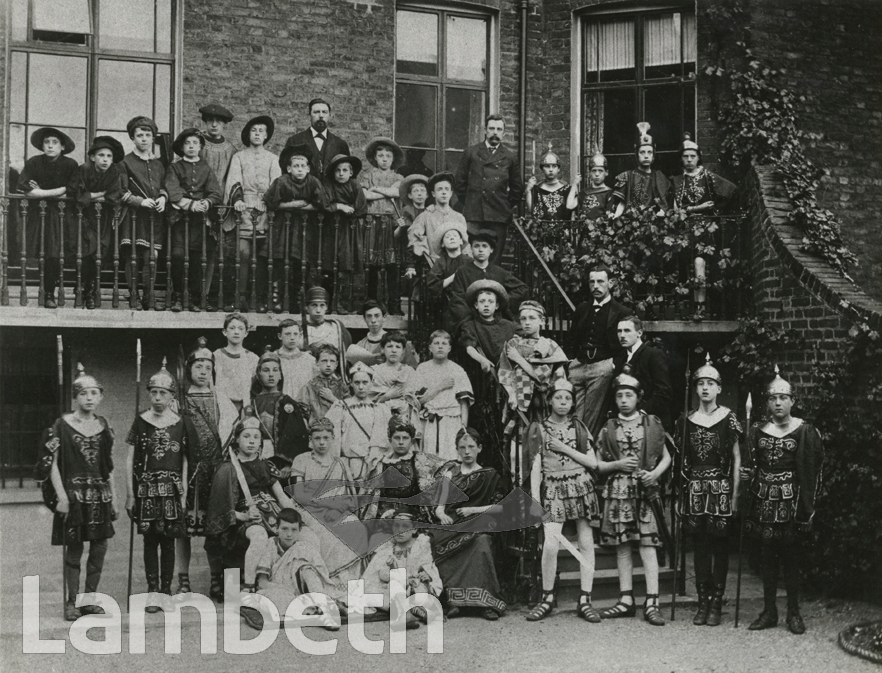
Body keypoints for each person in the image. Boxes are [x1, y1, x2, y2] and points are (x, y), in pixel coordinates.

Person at [34, 365, 118, 620]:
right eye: (83, 393)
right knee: (74, 550)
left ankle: (89, 599)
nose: (89, 398)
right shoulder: (61, 426)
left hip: (100, 495)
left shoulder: (104, 426)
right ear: (75, 397)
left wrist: (114, 497)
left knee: (99, 549)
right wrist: (61, 496)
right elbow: (54, 466)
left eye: (94, 393)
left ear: (100, 396)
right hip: (74, 497)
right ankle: (71, 602)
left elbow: (108, 466)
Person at [745, 367, 824, 635]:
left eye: (783, 398)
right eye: (772, 398)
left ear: (792, 401)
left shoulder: (804, 431)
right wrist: (749, 474)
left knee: (791, 557)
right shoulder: (758, 431)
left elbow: (813, 470)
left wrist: (807, 509)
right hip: (765, 501)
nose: (778, 403)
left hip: (792, 502)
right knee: (767, 557)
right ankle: (769, 611)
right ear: (767, 402)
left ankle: (793, 612)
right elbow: (753, 465)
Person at [596, 370, 671, 627]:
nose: (624, 400)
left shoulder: (651, 423)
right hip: (618, 491)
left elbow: (667, 458)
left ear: (638, 398)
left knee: (648, 545)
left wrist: (654, 475)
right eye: (620, 395)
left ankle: (652, 602)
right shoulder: (608, 427)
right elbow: (598, 464)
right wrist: (616, 464)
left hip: (644, 490)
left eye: (629, 395)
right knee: (623, 545)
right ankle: (626, 599)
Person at [523, 379, 601, 622]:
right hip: (554, 489)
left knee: (586, 543)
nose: (563, 403)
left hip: (580, 486)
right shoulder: (539, 429)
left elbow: (593, 462)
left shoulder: (579, 427)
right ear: (550, 400)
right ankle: (547, 597)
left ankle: (585, 599)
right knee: (550, 544)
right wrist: (535, 502)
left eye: (568, 398)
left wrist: (564, 448)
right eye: (559, 398)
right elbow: (536, 468)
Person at [677, 354, 743, 627]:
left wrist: (736, 494)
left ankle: (717, 599)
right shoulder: (687, 420)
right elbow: (681, 462)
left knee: (719, 544)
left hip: (720, 489)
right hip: (695, 489)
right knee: (700, 545)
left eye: (710, 383)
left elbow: (738, 457)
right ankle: (702, 601)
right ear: (695, 389)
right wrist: (680, 496)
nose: (704, 388)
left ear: (718, 388)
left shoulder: (728, 418)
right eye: (700, 383)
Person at [125, 359, 195, 612]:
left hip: (173, 488)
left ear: (171, 396)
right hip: (147, 488)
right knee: (150, 541)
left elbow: (186, 459)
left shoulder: (180, 422)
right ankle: (152, 590)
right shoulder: (141, 420)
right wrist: (130, 493)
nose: (157, 398)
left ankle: (166, 590)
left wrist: (185, 491)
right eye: (153, 392)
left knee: (168, 541)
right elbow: (130, 457)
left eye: (162, 393)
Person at [203, 411, 297, 594]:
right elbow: (219, 510)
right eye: (246, 436)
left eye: (256, 437)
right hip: (243, 520)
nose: (252, 441)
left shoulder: (266, 466)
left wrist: (295, 518)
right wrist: (244, 515)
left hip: (273, 515)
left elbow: (281, 496)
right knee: (259, 535)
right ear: (237, 439)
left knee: (298, 534)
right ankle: (248, 586)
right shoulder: (227, 469)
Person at [175, 337, 237, 597]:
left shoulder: (221, 399)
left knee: (217, 530)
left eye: (207, 366)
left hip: (215, 471)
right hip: (189, 473)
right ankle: (183, 579)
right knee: (183, 530)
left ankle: (215, 580)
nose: (202, 371)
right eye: (197, 365)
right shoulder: (178, 401)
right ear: (189, 369)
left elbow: (231, 433)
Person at [432, 427, 507, 620]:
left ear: (479, 448)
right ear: (457, 449)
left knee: (481, 542)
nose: (467, 451)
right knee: (433, 541)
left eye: (471, 447)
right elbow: (439, 506)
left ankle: (486, 603)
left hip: (479, 523)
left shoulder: (489, 475)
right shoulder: (450, 473)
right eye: (462, 447)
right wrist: (441, 514)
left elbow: (500, 508)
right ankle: (453, 601)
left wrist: (473, 510)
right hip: (453, 524)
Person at [670, 133, 737, 321]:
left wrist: (715, 212)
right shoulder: (677, 181)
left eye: (692, 155)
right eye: (685, 156)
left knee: (700, 264)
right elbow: (675, 209)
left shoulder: (708, 177)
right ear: (681, 158)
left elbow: (731, 190)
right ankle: (685, 306)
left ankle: (700, 307)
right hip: (684, 229)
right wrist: (696, 208)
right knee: (684, 268)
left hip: (705, 229)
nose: (689, 159)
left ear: (698, 157)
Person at [566, 265, 632, 438]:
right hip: (578, 367)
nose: (595, 286)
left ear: (610, 283)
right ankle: (578, 454)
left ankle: (586, 457)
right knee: (573, 415)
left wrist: (612, 365)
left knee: (591, 417)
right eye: (592, 282)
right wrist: (571, 362)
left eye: (600, 281)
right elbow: (572, 339)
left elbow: (628, 343)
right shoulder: (582, 309)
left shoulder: (621, 311)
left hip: (602, 368)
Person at [224, 115, 280, 312]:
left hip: (265, 212)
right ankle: (240, 298)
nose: (257, 134)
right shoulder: (239, 157)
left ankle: (261, 299)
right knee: (243, 253)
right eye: (253, 131)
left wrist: (268, 202)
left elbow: (277, 184)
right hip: (244, 211)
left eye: (261, 131)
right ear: (248, 134)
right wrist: (238, 201)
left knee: (264, 257)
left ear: (266, 136)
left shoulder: (273, 159)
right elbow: (234, 180)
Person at [18, 127, 79, 309]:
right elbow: (25, 189)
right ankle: (44, 292)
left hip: (63, 214)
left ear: (62, 147)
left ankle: (58, 293)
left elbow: (71, 189)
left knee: (58, 254)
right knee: (43, 254)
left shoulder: (70, 165)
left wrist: (41, 191)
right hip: (40, 214)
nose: (50, 146)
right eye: (47, 142)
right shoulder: (34, 162)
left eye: (55, 143)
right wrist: (55, 191)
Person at [263, 143, 329, 313]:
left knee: (301, 263)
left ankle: (297, 300)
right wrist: (293, 204)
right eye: (296, 166)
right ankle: (276, 299)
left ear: (308, 168)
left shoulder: (313, 182)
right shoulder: (281, 181)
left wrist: (304, 208)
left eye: (303, 166)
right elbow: (271, 203)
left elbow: (322, 204)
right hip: (283, 227)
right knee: (280, 261)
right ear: (288, 168)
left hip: (304, 229)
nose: (299, 169)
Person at [251, 507, 341, 631]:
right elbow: (262, 583)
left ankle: (324, 610)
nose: (289, 534)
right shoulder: (271, 545)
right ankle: (312, 610)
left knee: (306, 568)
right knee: (275, 599)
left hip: (303, 589)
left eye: (294, 530)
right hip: (280, 589)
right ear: (276, 529)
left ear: (299, 531)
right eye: (284, 529)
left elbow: (319, 573)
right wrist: (282, 588)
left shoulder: (302, 547)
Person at [165, 127, 223, 312]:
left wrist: (206, 202)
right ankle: (178, 296)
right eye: (187, 143)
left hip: (199, 222)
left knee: (198, 258)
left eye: (195, 143)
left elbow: (216, 192)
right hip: (180, 219)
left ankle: (196, 298)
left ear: (200, 147)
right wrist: (190, 204)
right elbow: (172, 190)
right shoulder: (174, 167)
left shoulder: (206, 169)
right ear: (182, 147)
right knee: (178, 255)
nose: (191, 146)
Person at [454, 115, 524, 263]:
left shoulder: (510, 157)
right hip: (474, 214)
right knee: (471, 256)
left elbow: (517, 189)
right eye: (491, 128)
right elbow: (460, 183)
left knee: (494, 259)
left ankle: (491, 286)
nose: (495, 132)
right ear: (485, 130)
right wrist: (470, 202)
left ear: (503, 133)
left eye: (499, 129)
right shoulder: (471, 152)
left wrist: (503, 204)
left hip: (498, 215)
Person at [67, 135, 124, 309]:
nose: (105, 160)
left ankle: (90, 290)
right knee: (84, 250)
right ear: (92, 157)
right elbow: (76, 193)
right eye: (101, 155)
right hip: (82, 216)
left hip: (103, 217)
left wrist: (93, 195)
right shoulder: (83, 169)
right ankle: (81, 287)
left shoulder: (115, 172)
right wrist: (98, 194)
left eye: (109, 156)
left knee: (98, 252)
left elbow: (114, 195)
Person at [361, 508, 443, 628]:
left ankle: (410, 609)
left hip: (413, 587)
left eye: (405, 526)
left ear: (414, 529)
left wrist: (426, 574)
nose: (400, 530)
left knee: (417, 588)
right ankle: (406, 612)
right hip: (394, 588)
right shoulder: (387, 549)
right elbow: (381, 574)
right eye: (396, 526)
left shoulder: (421, 545)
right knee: (367, 595)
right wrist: (393, 572)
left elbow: (428, 565)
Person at [119, 116, 168, 311]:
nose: (144, 139)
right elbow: (120, 191)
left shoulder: (159, 164)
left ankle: (149, 296)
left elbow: (165, 185)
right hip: (133, 217)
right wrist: (140, 201)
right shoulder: (124, 163)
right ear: (133, 138)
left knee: (152, 257)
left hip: (154, 217)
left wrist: (163, 197)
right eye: (140, 135)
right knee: (133, 256)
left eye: (148, 135)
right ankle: (133, 296)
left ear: (153, 138)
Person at [405, 330, 473, 459]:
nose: (440, 346)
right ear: (430, 347)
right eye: (436, 343)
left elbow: (464, 403)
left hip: (451, 421)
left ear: (449, 348)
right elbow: (418, 402)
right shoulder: (422, 369)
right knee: (429, 458)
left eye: (444, 343)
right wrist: (439, 387)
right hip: (429, 421)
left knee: (451, 456)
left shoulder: (457, 370)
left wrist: (463, 428)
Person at [498, 300, 568, 423]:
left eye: (532, 318)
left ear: (542, 321)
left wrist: (518, 359)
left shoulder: (549, 346)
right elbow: (505, 372)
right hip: (519, 400)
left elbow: (542, 377)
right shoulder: (513, 344)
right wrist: (511, 394)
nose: (527, 323)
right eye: (523, 319)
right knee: (519, 437)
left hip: (543, 402)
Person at [445, 231, 529, 329]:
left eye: (484, 246)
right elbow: (458, 299)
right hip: (472, 321)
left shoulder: (499, 272)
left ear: (491, 249)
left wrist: (500, 300)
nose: (480, 250)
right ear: (471, 249)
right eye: (476, 246)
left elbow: (522, 289)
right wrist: (470, 319)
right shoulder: (463, 271)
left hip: (495, 320)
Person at [365, 418, 445, 520]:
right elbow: (372, 500)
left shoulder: (420, 460)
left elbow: (447, 469)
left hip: (411, 515)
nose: (401, 442)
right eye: (397, 438)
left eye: (405, 438)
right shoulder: (379, 464)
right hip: (384, 515)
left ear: (412, 441)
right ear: (390, 440)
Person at [324, 362, 392, 481]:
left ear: (372, 383)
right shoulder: (341, 407)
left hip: (374, 464)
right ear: (351, 383)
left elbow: (384, 441)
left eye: (365, 382)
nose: (361, 387)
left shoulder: (380, 409)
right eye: (357, 383)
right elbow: (332, 439)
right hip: (348, 465)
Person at [360, 137, 405, 314]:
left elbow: (397, 192)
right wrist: (385, 193)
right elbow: (364, 196)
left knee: (393, 264)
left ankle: (394, 304)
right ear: (375, 158)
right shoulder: (367, 175)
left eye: (388, 155)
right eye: (380, 155)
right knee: (371, 264)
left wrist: (376, 189)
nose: (384, 159)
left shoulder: (399, 177)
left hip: (392, 222)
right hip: (372, 222)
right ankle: (372, 303)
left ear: (393, 159)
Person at [250, 348, 310, 476]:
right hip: (256, 457)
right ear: (258, 373)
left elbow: (296, 434)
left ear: (280, 374)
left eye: (275, 370)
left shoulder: (287, 402)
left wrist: (289, 464)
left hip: (280, 462)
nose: (271, 374)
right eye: (266, 370)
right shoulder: (253, 402)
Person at [199, 102, 236, 300]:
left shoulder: (231, 149)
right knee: (195, 249)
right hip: (199, 203)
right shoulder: (197, 144)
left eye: (218, 122)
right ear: (204, 123)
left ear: (224, 125)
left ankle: (207, 294)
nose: (214, 125)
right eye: (210, 121)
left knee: (214, 251)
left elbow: (233, 178)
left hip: (220, 207)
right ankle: (193, 292)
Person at [322, 153, 367, 314]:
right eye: (337, 170)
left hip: (349, 230)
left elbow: (361, 208)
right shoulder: (328, 185)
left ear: (351, 172)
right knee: (330, 263)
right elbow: (324, 203)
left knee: (347, 265)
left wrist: (349, 211)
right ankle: (329, 302)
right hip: (331, 229)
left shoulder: (355, 185)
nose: (341, 174)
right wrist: (339, 206)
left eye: (344, 170)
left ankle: (343, 303)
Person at [613, 316, 673, 430]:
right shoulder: (620, 358)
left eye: (627, 330)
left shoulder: (653, 355)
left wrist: (641, 412)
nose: (622, 335)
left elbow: (664, 392)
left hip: (651, 422)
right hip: (625, 422)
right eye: (619, 331)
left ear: (639, 333)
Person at [407, 172, 470, 273]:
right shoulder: (426, 215)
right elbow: (414, 237)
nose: (444, 192)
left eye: (447, 189)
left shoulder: (459, 217)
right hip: (433, 265)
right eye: (439, 189)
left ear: (451, 193)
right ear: (433, 194)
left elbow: (466, 245)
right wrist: (412, 265)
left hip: (457, 266)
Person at [459, 279, 519, 378]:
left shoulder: (509, 325)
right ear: (476, 305)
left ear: (497, 305)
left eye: (490, 301)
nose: (486, 305)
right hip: (482, 371)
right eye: (482, 301)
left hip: (508, 374)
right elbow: (469, 347)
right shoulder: (470, 326)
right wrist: (482, 360)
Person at [610, 122, 670, 215]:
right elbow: (621, 203)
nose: (646, 156)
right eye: (642, 152)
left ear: (653, 155)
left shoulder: (659, 177)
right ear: (636, 155)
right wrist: (617, 216)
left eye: (649, 152)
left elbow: (664, 204)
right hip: (630, 221)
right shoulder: (627, 176)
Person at [284, 98, 351, 177]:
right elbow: (286, 174)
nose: (321, 116)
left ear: (329, 115)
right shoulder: (295, 141)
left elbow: (347, 175)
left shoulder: (340, 144)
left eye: (324, 112)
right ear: (310, 115)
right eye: (316, 112)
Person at [213, 312, 259, 415]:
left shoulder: (252, 358)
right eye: (232, 328)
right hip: (222, 406)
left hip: (245, 405)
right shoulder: (217, 355)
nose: (236, 332)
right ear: (225, 332)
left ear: (246, 333)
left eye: (241, 329)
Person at [424, 225, 472, 320]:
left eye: (455, 235)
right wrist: (454, 277)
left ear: (461, 241)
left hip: (468, 303)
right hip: (447, 304)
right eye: (447, 236)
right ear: (442, 244)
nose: (452, 238)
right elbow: (432, 286)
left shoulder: (469, 261)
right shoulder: (440, 263)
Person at [370, 331, 417, 419]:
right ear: (382, 349)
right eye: (389, 346)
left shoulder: (409, 371)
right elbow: (369, 398)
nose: (394, 350)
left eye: (398, 347)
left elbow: (413, 398)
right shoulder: (374, 371)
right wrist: (387, 396)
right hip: (380, 415)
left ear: (403, 350)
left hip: (404, 416)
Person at [297, 343, 349, 421]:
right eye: (324, 361)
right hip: (316, 430)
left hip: (337, 428)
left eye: (332, 361)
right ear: (317, 362)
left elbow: (349, 410)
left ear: (336, 364)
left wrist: (333, 399)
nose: (328, 365)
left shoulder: (342, 387)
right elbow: (301, 412)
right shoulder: (309, 387)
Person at [302, 286, 352, 365]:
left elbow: (345, 356)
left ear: (327, 307)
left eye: (322, 305)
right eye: (314, 305)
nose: (318, 310)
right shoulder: (298, 330)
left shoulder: (336, 327)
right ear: (306, 307)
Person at [524, 148, 578, 221]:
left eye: (554, 166)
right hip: (542, 230)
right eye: (547, 166)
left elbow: (572, 213)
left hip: (562, 229)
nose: (551, 169)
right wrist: (528, 190)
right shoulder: (537, 189)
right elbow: (531, 210)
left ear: (558, 169)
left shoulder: (567, 189)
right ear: (542, 169)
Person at [276, 319, 318, 401]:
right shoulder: (273, 358)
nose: (292, 338)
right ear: (280, 336)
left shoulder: (309, 360)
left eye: (295, 334)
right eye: (288, 334)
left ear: (300, 335)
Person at [575, 153, 620, 222]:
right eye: (594, 171)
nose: (597, 174)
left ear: (606, 172)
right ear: (589, 173)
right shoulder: (583, 194)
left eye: (600, 171)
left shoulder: (610, 193)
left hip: (602, 230)